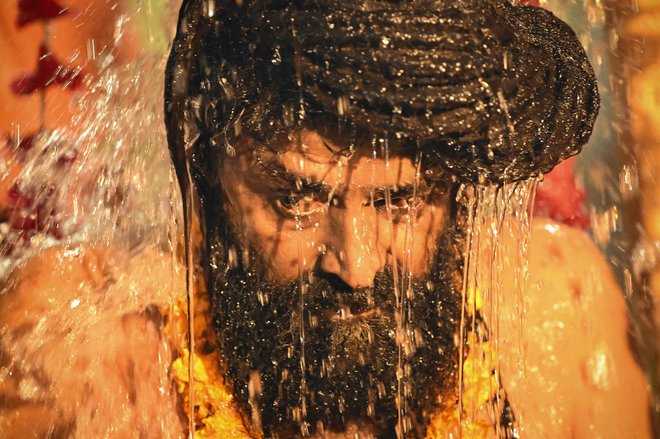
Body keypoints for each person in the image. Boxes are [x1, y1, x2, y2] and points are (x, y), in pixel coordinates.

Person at [0, 0, 653, 437]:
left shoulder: (562, 321)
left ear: (457, 191)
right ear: (209, 169)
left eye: (400, 203)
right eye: (296, 200)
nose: (357, 263)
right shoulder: (83, 353)